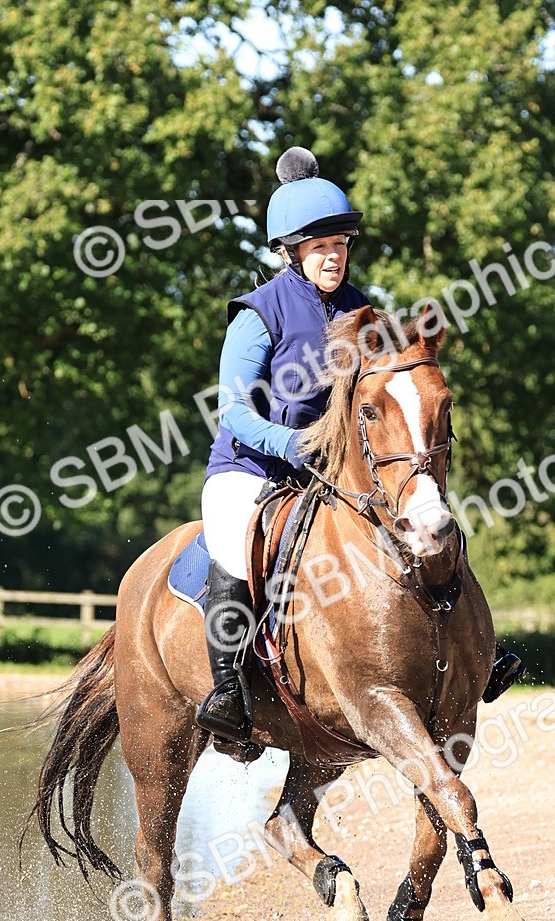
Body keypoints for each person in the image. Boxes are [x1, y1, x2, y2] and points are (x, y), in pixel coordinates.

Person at [196, 147, 370, 745]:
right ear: (291, 252)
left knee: (420, 514)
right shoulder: (257, 313)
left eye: (341, 245)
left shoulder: (361, 312)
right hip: (250, 469)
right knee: (233, 544)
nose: (334, 257)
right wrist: (290, 442)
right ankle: (226, 692)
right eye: (321, 248)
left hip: (327, 474)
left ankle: (470, 656)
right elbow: (233, 411)